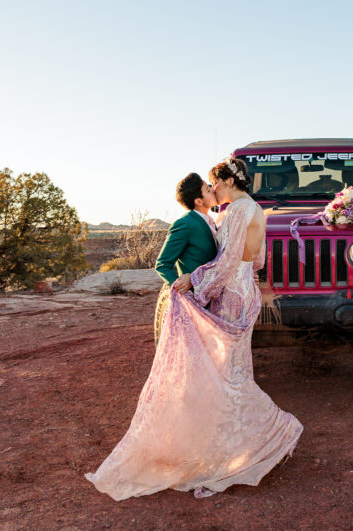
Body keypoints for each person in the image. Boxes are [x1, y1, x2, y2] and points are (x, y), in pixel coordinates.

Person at [85, 157, 303, 501]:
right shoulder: (254, 209)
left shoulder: (237, 211)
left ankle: (269, 435)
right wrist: (238, 279)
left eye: (214, 183)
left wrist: (196, 283)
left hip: (231, 293)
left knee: (225, 376)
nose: (212, 188)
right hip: (245, 289)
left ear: (227, 181)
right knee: (231, 371)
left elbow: (228, 260)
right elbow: (256, 261)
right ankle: (233, 445)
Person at [152, 173, 218, 340]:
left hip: (213, 298)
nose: (213, 190)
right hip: (196, 302)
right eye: (207, 189)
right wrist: (182, 292)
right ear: (199, 201)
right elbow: (162, 263)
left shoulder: (210, 221)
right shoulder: (185, 224)